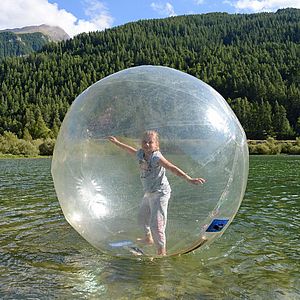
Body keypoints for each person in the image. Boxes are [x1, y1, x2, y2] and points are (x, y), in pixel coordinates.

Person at [108, 130, 205, 256]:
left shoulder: (156, 157)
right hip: (149, 193)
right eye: (144, 142)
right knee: (142, 218)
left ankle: (161, 251)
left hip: (160, 193)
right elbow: (130, 150)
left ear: (156, 145)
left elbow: (172, 168)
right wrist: (117, 143)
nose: (147, 144)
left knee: (157, 224)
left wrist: (189, 179)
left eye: (150, 142)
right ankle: (148, 239)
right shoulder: (141, 154)